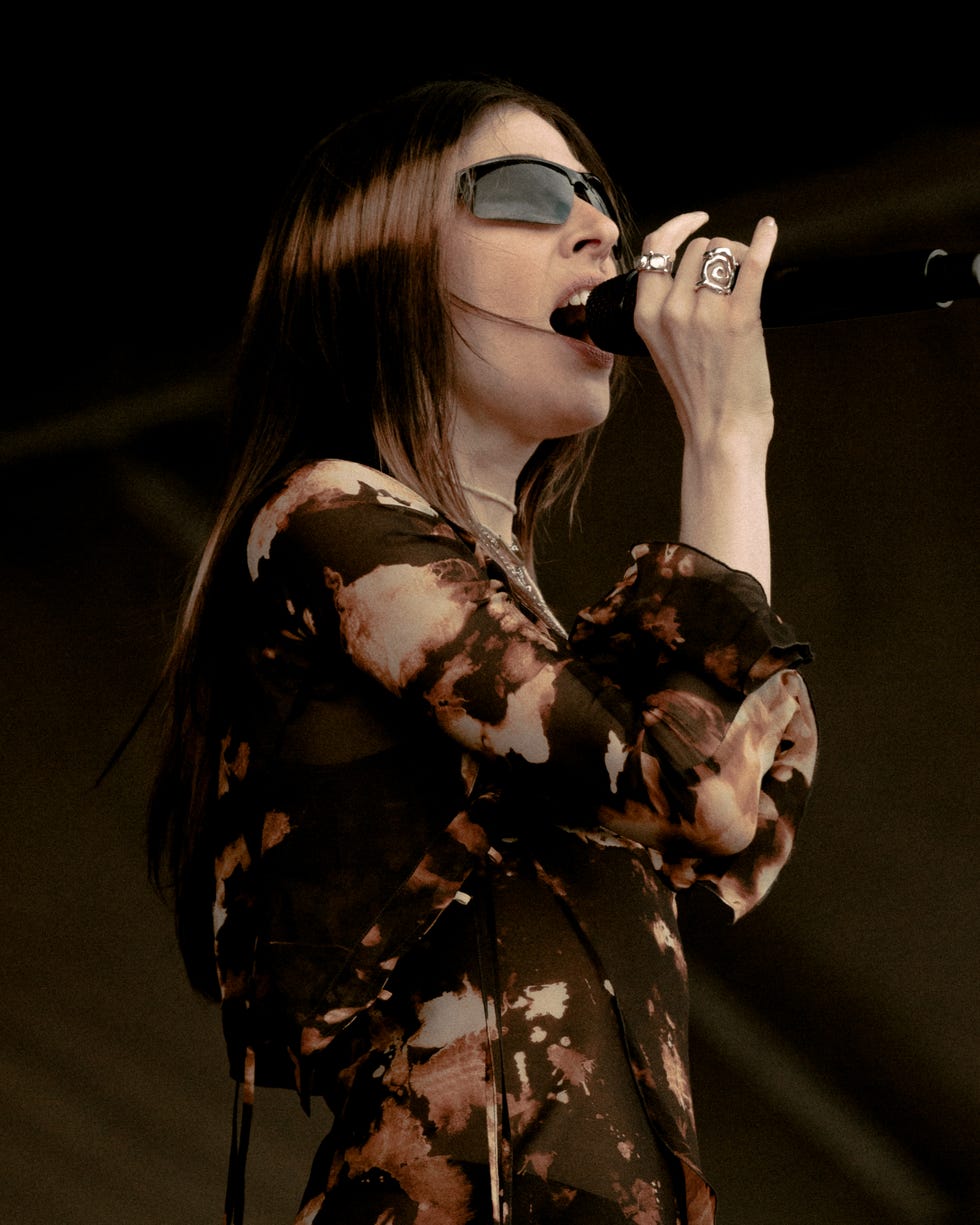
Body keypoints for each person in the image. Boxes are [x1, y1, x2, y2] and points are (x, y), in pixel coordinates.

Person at [148, 78, 817, 1225]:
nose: (600, 227)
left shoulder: (548, 647)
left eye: (597, 194)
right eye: (521, 192)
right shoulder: (322, 519)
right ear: (384, 265)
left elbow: (747, 805)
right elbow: (696, 788)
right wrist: (725, 436)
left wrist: (734, 442)